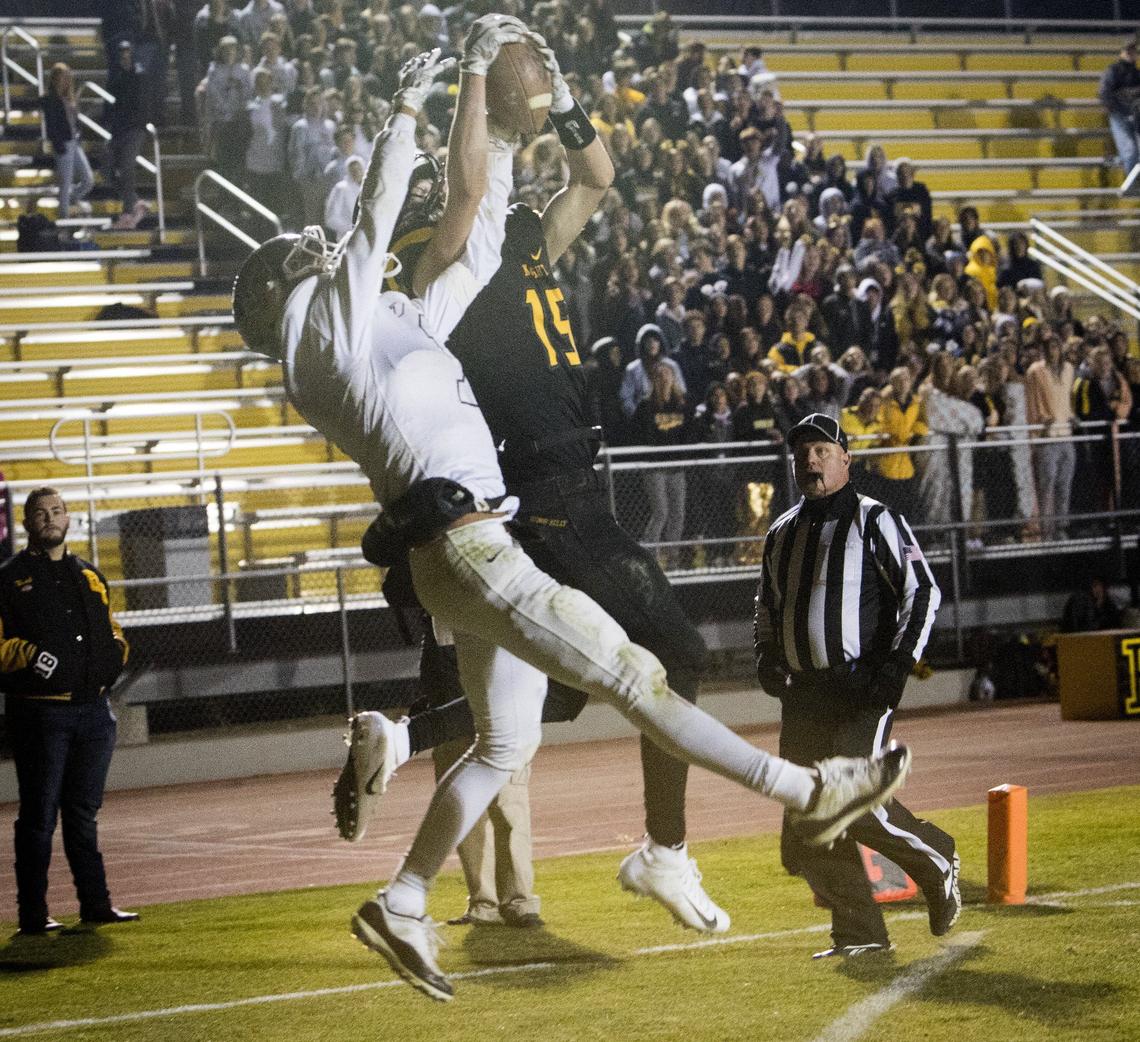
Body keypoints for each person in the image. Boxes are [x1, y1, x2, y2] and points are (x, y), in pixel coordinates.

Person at [233, 28, 911, 1003]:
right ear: (284, 291)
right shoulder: (329, 324)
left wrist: (515, 133)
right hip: (483, 535)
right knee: (645, 667)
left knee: (513, 737)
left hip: (468, 531)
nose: (319, 246)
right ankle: (802, 795)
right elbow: (405, 210)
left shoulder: (387, 314)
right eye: (302, 253)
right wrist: (432, 101)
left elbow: (491, 215)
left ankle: (405, 888)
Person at [754, 414, 957, 959]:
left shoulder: (876, 520)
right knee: (806, 829)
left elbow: (923, 592)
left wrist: (895, 668)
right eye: (803, 451)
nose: (811, 459)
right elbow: (768, 607)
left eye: (823, 449)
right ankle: (860, 935)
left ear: (847, 458)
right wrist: (766, 656)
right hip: (804, 696)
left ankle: (936, 857)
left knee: (855, 806)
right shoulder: (781, 532)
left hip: (858, 689)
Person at [0, 488, 138, 935]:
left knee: (82, 812)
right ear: (27, 523)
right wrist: (29, 656)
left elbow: (114, 628)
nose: (49, 519)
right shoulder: (9, 578)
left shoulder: (89, 575)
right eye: (40, 513)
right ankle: (33, 915)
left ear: (69, 518)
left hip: (93, 713)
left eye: (56, 511)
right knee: (39, 815)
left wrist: (117, 652)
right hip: (41, 715)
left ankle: (96, 904)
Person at [41, 63, 94, 221]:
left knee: (87, 179)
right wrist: (58, 144)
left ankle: (70, 199)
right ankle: (63, 217)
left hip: (74, 142)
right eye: (62, 77)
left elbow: (74, 121)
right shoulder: (49, 99)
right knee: (66, 181)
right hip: (63, 143)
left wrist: (79, 136)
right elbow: (51, 125)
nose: (65, 81)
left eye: (67, 78)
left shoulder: (69, 98)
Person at [1099, 40, 1140, 173]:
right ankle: (1132, 185)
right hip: (1120, 116)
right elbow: (1105, 93)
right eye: (1128, 51)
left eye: (1133, 51)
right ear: (1121, 52)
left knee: (1133, 152)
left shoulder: (1137, 74)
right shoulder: (1113, 71)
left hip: (1136, 116)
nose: (1130, 54)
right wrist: (1118, 110)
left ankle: (1119, 162)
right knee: (1129, 151)